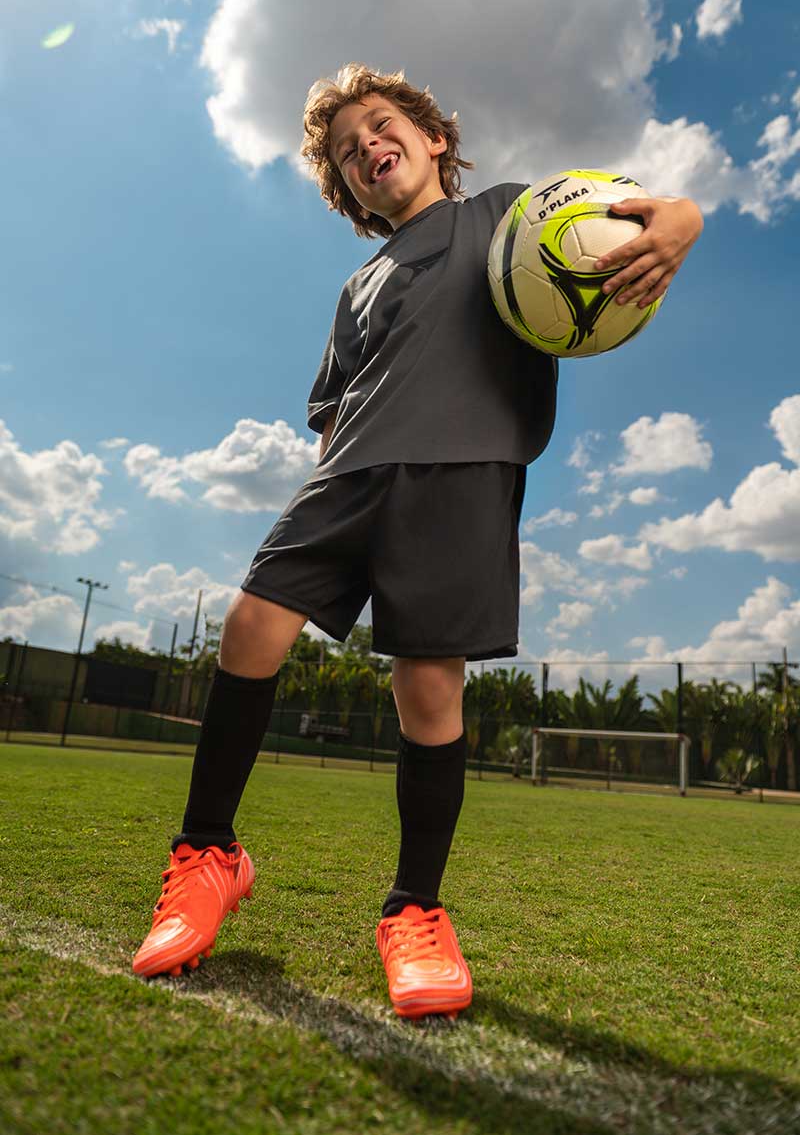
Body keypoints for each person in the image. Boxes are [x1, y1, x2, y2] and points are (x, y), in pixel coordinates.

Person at [132, 62, 703, 1019]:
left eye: (381, 124)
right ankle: (207, 854)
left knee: (428, 689)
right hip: (350, 474)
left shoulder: (507, 219)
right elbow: (330, 408)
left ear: (435, 137)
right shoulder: (357, 285)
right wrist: (336, 484)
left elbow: (656, 213)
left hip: (465, 473)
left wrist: (681, 223)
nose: (367, 147)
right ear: (349, 193)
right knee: (249, 624)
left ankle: (414, 911)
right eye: (347, 153)